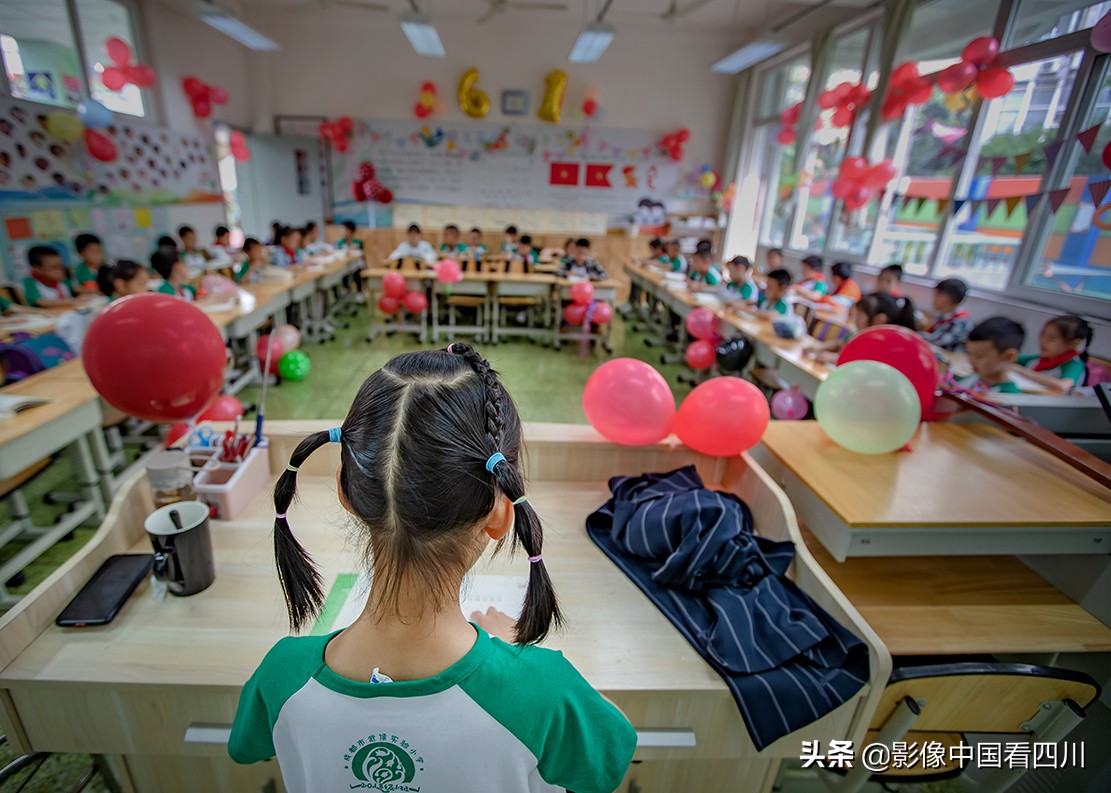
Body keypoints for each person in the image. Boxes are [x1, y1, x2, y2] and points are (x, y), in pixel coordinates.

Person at [228, 346, 637, 792]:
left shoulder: (282, 674)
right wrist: (506, 653)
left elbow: (245, 748)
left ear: (346, 492)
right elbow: (610, 759)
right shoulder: (544, 690)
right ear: (501, 513)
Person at [806, 292, 916, 363]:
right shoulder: (860, 334)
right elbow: (841, 342)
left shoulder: (884, 346)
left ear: (879, 320)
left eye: (859, 316)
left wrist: (831, 358)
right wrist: (820, 346)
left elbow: (861, 362)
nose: (855, 320)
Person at [1014, 315, 1093, 393]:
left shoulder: (1074, 365)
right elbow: (1009, 358)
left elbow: (1063, 385)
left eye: (1051, 339)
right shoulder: (1037, 359)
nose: (1043, 341)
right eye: (1042, 335)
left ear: (1073, 343)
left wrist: (1019, 370)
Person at [961, 316, 1024, 394]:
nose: (971, 360)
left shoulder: (1009, 398)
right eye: (969, 353)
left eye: (979, 356)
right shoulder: (970, 380)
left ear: (1009, 356)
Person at [920, 277, 971, 352]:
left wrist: (913, 334)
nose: (934, 299)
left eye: (937, 295)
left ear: (947, 298)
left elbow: (938, 341)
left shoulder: (960, 322)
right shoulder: (943, 316)